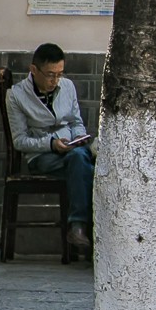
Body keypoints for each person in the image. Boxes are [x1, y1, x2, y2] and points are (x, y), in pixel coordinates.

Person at [5, 43, 94, 250]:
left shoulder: (68, 87)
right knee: (85, 167)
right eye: (50, 75)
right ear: (33, 70)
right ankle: (81, 227)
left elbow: (75, 122)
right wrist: (51, 144)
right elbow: (19, 141)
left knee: (81, 159)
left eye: (60, 74)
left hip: (73, 150)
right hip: (43, 156)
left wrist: (79, 137)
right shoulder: (16, 95)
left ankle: (79, 228)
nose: (55, 81)